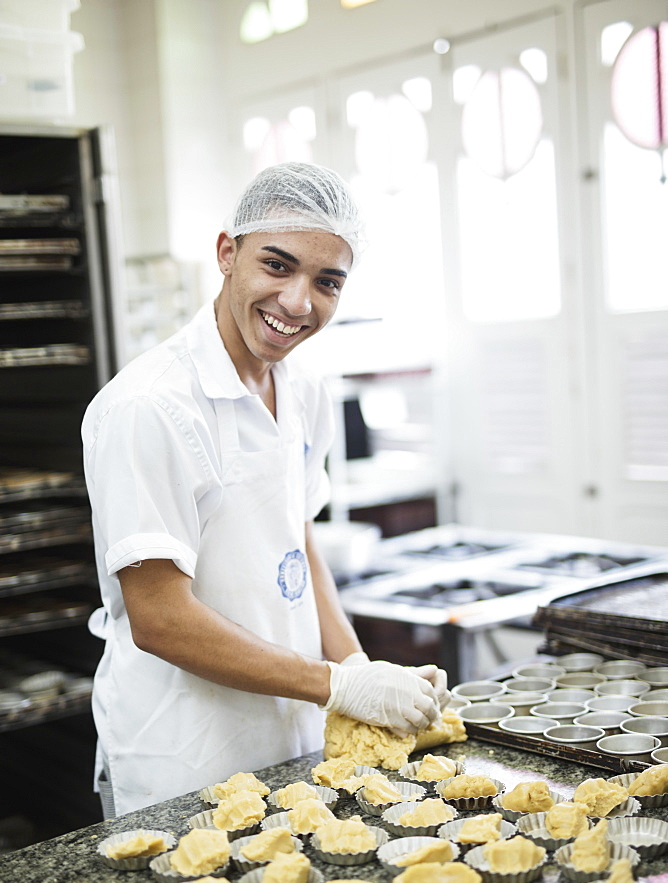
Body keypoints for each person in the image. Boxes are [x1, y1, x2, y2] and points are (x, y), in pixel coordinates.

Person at [82, 162, 449, 817]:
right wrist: (338, 683)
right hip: (186, 757)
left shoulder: (307, 391)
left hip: (296, 737)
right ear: (227, 253)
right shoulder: (149, 406)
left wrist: (362, 670)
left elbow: (298, 545)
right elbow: (159, 618)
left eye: (327, 281)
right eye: (277, 266)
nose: (298, 303)